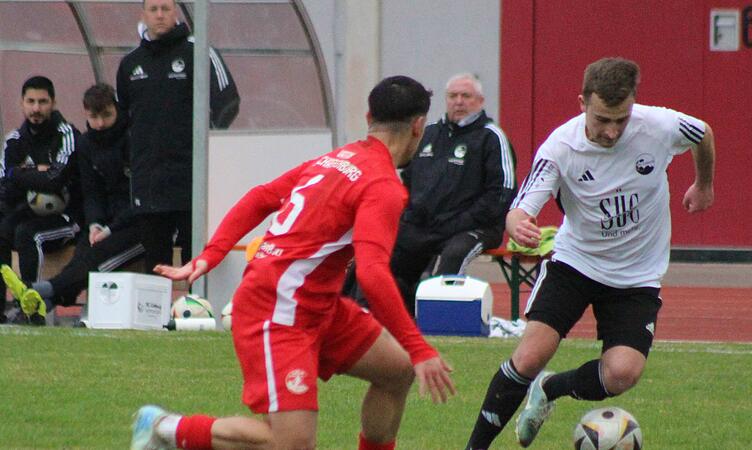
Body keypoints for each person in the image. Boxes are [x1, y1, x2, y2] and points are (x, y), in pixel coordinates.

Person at [130, 75, 455, 450]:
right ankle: (166, 426)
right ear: (419, 127)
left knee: (396, 372)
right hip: (277, 311)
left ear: (369, 116)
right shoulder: (382, 186)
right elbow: (372, 272)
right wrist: (420, 348)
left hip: (318, 306)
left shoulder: (336, 159)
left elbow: (260, 197)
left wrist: (210, 254)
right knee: (292, 444)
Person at [464, 57, 716, 449]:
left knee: (622, 375)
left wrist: (703, 184)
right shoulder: (561, 148)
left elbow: (703, 134)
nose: (612, 131)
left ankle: (550, 388)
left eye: (621, 119)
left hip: (636, 275)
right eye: (602, 119)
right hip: (576, 264)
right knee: (529, 357)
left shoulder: (660, 126)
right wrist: (518, 224)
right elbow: (520, 209)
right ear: (582, 102)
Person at [347, 73, 516, 315]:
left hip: (473, 227)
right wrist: (408, 214)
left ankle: (441, 323)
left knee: (453, 255)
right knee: (383, 249)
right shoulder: (430, 133)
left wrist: (460, 221)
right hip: (424, 224)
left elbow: (502, 192)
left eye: (466, 96)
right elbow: (408, 180)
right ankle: (364, 314)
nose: (459, 101)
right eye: (453, 96)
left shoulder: (491, 137)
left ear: (480, 101)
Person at [1, 83, 145, 322]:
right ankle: (41, 302)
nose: (100, 123)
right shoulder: (87, 143)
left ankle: (37, 292)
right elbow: (92, 192)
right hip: (103, 225)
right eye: (94, 117)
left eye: (106, 115)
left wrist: (110, 228)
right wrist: (96, 223)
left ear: (117, 110)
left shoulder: (134, 139)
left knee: (93, 265)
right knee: (82, 259)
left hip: (137, 225)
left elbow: (139, 197)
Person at [116, 0, 240, 273]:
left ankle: (193, 314)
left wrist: (207, 150)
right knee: (155, 262)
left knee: (193, 258)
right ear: (144, 15)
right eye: (153, 9)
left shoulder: (199, 52)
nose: (160, 15)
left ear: (176, 13)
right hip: (149, 182)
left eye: (166, 8)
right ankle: (158, 317)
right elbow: (121, 120)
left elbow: (228, 103)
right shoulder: (130, 64)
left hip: (190, 181)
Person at [0, 76, 82, 325]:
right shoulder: (14, 140)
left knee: (28, 234)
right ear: (22, 104)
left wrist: (22, 173)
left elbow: (56, 180)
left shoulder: (67, 134)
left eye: (43, 101)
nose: (36, 108)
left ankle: (31, 308)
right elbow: (5, 182)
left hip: (68, 218)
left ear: (53, 102)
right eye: (31, 101)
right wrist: (33, 173)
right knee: (3, 230)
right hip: (30, 212)